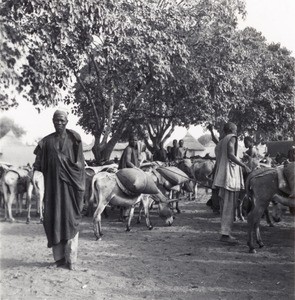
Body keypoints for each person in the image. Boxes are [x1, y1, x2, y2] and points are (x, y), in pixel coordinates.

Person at [33, 109, 85, 270]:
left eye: (62, 120)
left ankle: (72, 260)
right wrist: (35, 178)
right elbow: (37, 165)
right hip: (53, 190)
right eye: (57, 120)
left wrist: (74, 179)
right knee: (54, 221)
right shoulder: (46, 142)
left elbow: (80, 166)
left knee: (71, 220)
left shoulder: (74, 139)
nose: (59, 123)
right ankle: (59, 260)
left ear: (67, 121)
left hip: (70, 189)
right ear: (53, 122)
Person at [212, 122, 251, 244]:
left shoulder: (221, 141)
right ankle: (225, 234)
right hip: (230, 176)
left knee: (226, 206)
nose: (237, 131)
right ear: (231, 129)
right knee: (229, 206)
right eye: (236, 129)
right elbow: (230, 155)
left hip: (222, 176)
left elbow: (224, 156)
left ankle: (225, 232)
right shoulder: (232, 138)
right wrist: (244, 165)